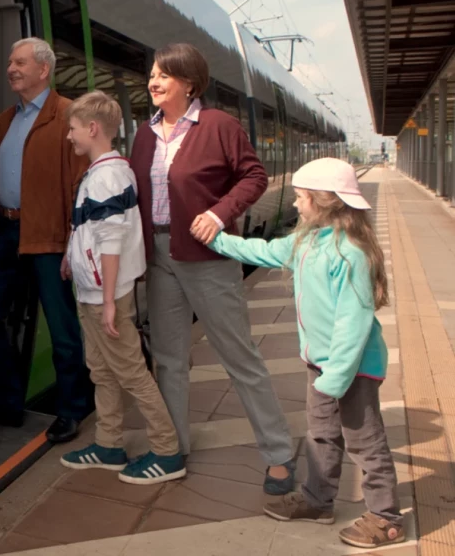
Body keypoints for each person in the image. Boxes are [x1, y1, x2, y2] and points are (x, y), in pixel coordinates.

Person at [193, 157, 403, 550]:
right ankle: (318, 501)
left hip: (352, 368)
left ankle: (385, 517)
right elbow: (263, 250)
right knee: (321, 437)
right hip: (321, 365)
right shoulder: (306, 242)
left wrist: (335, 380)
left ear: (323, 202)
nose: (294, 204)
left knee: (364, 442)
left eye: (301, 198)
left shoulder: (351, 254)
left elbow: (353, 324)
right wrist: (216, 238)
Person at [129, 43, 295, 494]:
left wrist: (219, 214)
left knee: (239, 356)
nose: (153, 82)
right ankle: (171, 448)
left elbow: (253, 176)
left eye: (162, 75)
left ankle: (279, 453)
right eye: (151, 76)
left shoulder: (218, 125)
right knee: (168, 358)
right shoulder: (144, 134)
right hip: (159, 256)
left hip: (207, 256)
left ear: (188, 82)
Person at [0, 37, 92, 443]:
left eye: (19, 63)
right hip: (5, 231)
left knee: (62, 327)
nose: (11, 69)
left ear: (43, 69)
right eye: (10, 64)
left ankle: (72, 410)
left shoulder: (68, 114)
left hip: (51, 237)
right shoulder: (6, 119)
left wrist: (75, 239)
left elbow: (80, 184)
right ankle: (6, 401)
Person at [58, 91, 185, 484]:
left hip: (103, 294)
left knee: (130, 372)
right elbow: (89, 229)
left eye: (73, 129)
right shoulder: (102, 172)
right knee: (102, 371)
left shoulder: (108, 175)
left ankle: (167, 451)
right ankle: (108, 444)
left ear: (93, 128)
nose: (69, 137)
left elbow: (111, 240)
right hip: (93, 291)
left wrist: (110, 300)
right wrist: (69, 256)